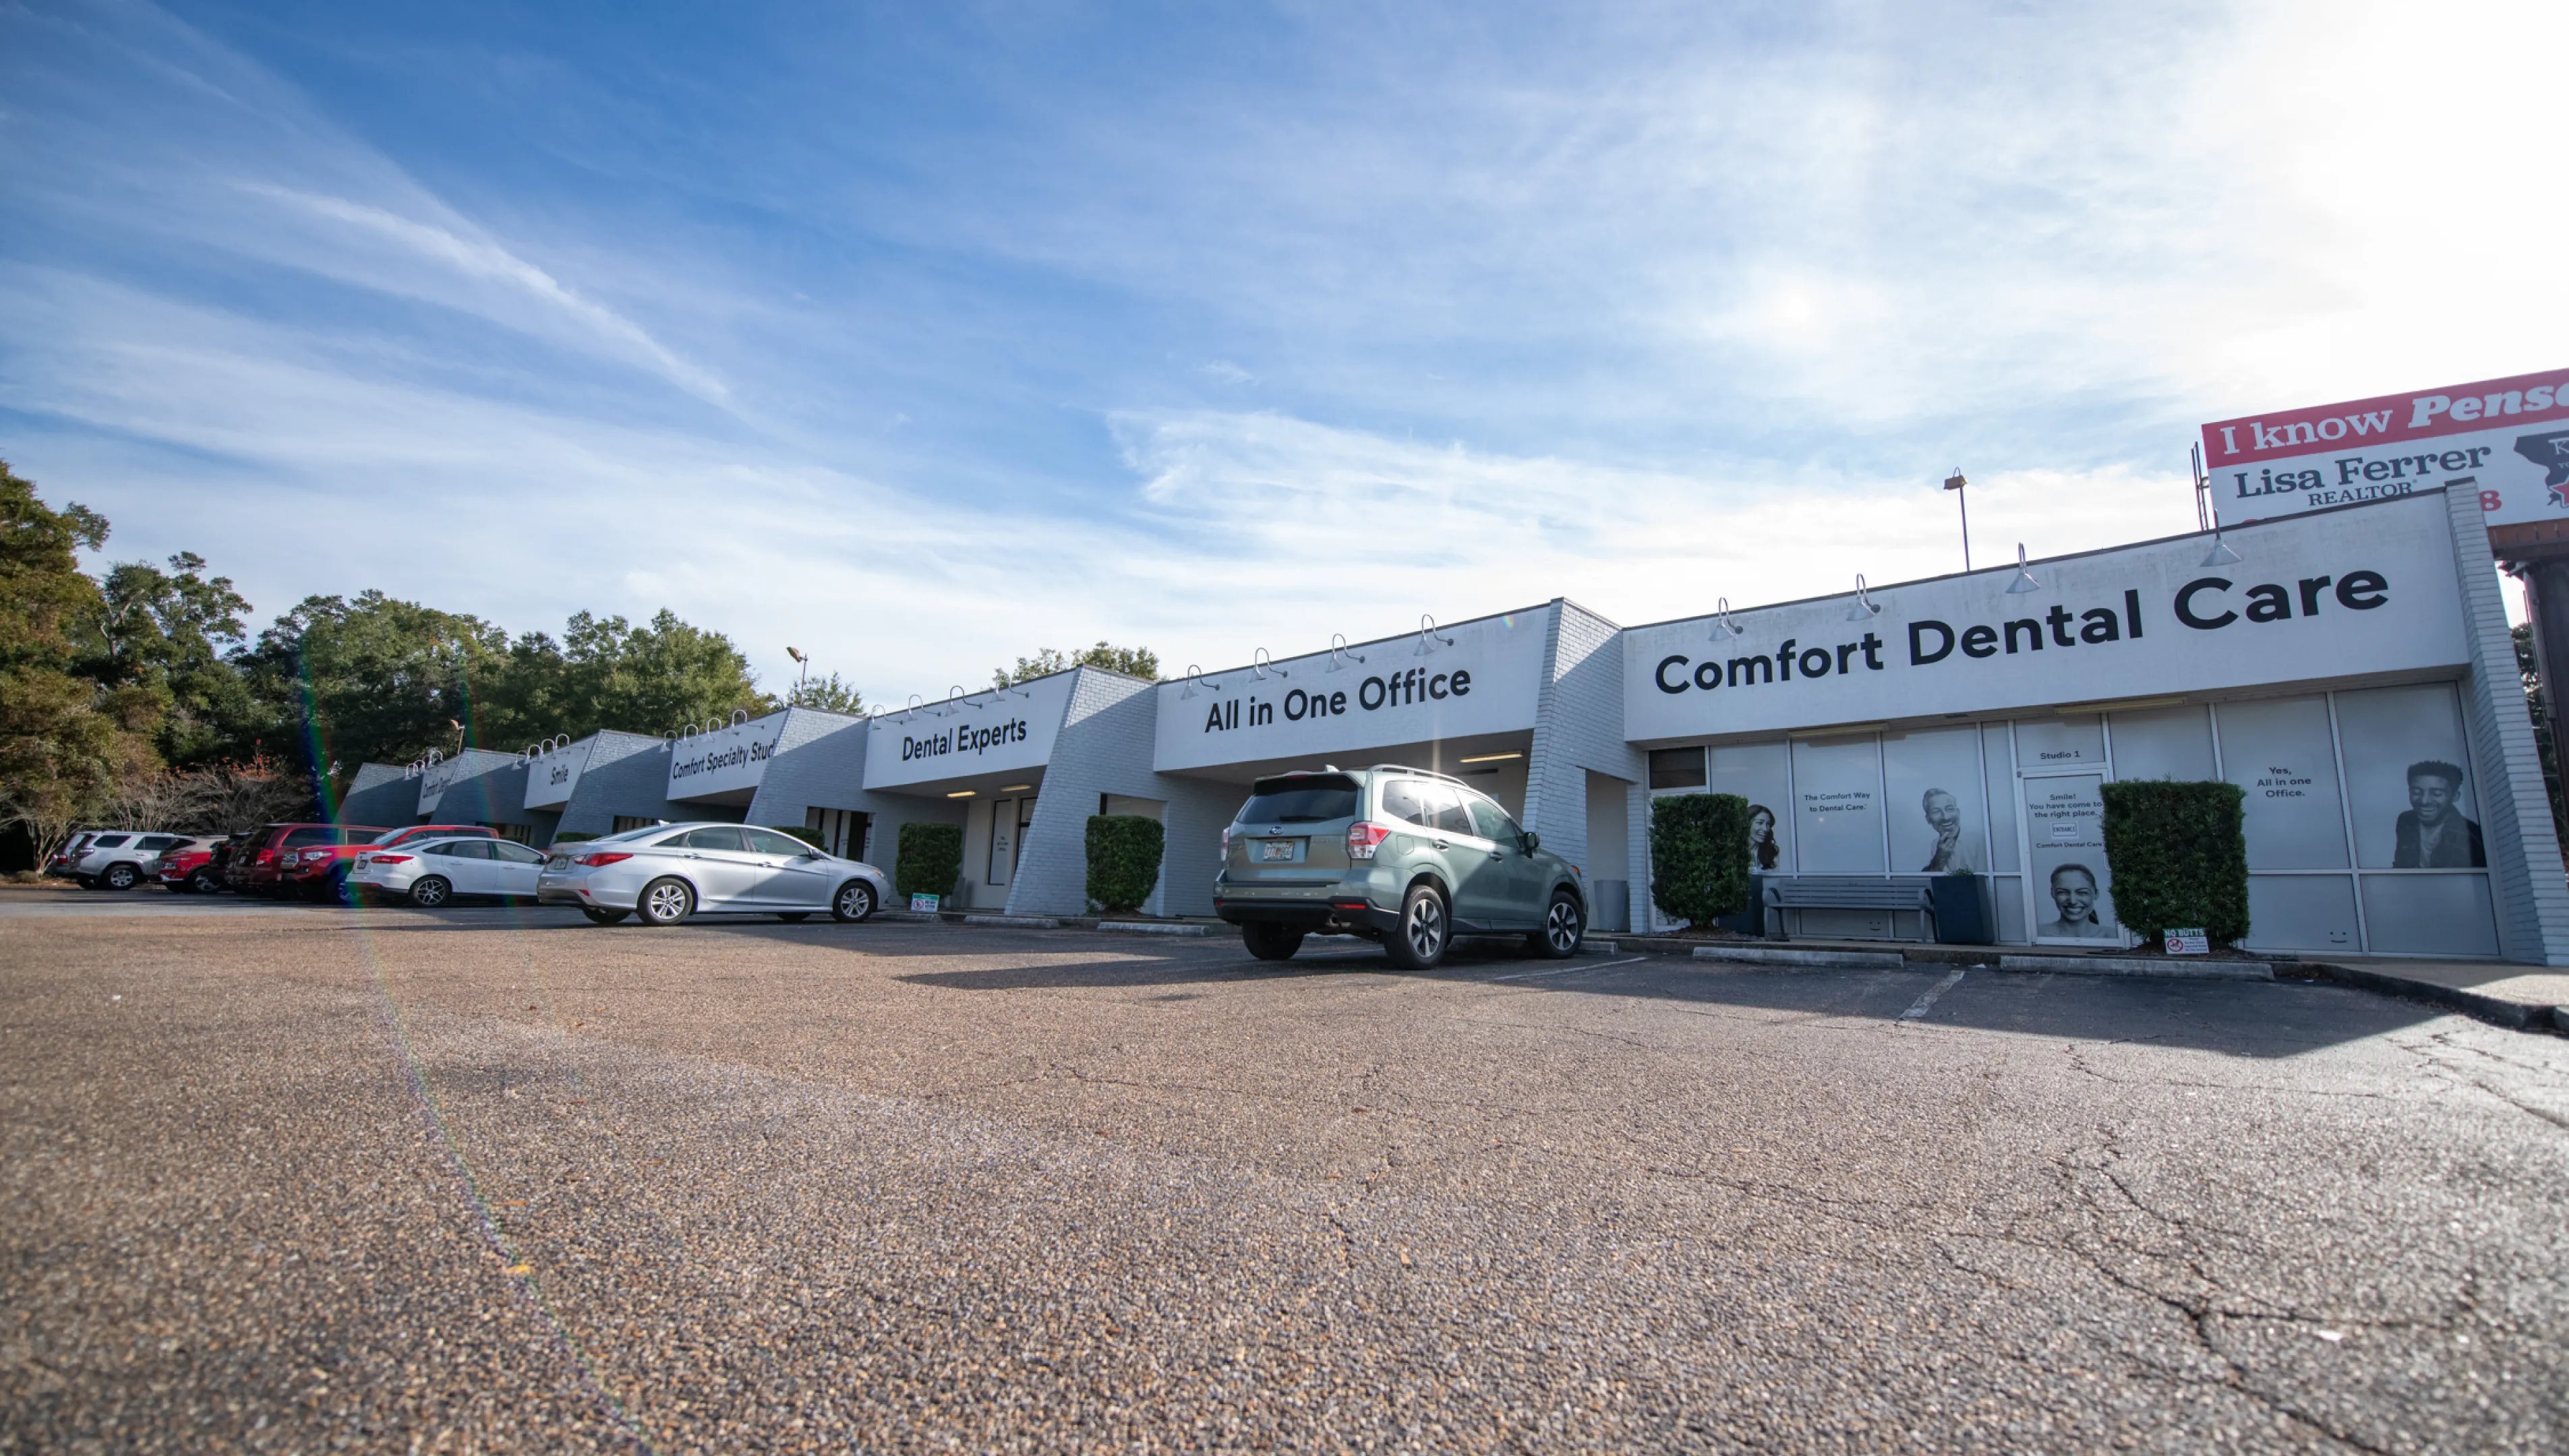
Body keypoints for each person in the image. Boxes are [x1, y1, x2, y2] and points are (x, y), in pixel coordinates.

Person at [2392, 760, 2485, 868]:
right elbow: (2401, 865)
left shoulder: (2472, 834)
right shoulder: (2406, 821)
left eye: (2436, 794)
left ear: (2455, 796)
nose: (2424, 801)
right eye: (2416, 792)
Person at [2037, 863, 2114, 939]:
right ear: (2052, 894)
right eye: (2063, 892)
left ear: (2096, 894)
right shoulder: (2037, 934)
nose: (2073, 901)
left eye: (2082, 893)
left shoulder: (2114, 937)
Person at [1919, 787, 1976, 873]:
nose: (1946, 817)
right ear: (1928, 819)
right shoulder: (1936, 844)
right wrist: (1940, 856)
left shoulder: (1978, 840)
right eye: (1936, 812)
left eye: (1950, 809)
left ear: (1958, 813)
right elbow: (1927, 880)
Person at [1746, 804, 1779, 870]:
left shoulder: (1771, 853)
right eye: (1760, 823)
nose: (1765, 829)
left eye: (1768, 824)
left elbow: (1774, 879)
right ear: (1747, 824)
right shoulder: (1732, 851)